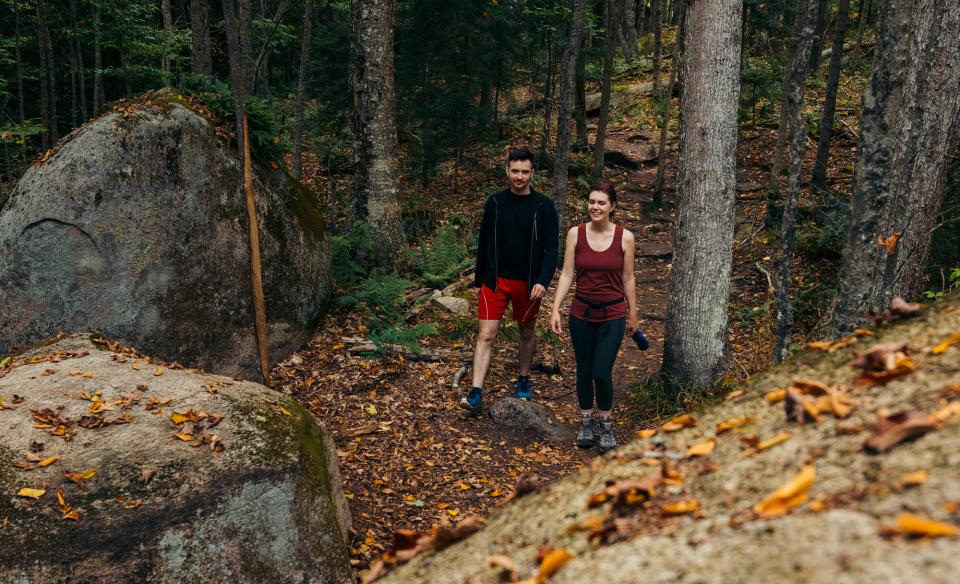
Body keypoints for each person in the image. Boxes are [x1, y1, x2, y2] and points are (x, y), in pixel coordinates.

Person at [460, 147, 559, 416]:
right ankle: (476, 392)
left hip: (528, 284)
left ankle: (524, 377)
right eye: (515, 171)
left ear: (532, 174)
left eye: (524, 172)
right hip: (496, 281)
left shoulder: (544, 206)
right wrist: (480, 279)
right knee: (486, 334)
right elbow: (483, 243)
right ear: (507, 171)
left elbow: (552, 250)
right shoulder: (494, 203)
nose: (519, 176)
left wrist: (543, 280)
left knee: (526, 331)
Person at [550, 181, 637, 453]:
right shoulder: (576, 234)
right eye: (592, 202)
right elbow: (566, 274)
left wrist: (633, 313)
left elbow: (628, 277)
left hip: (612, 313)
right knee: (584, 370)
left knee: (601, 371)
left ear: (612, 206)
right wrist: (555, 308)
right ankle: (586, 422)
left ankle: (606, 424)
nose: (595, 207)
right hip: (581, 313)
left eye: (601, 202)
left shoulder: (625, 237)